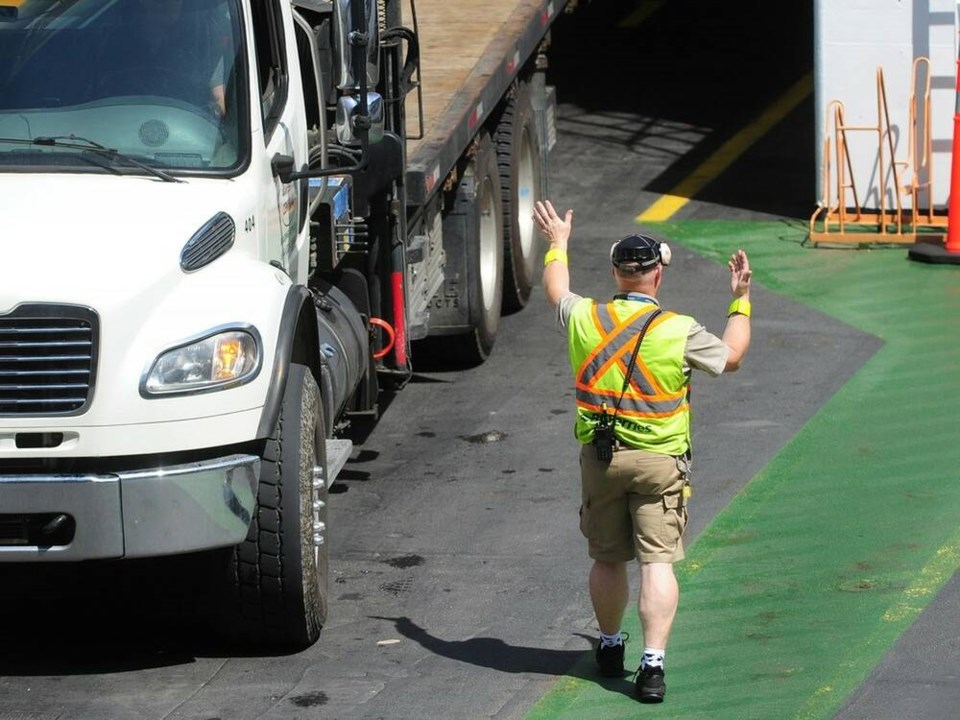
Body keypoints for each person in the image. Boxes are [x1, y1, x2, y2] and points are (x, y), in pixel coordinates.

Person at [532, 199, 752, 704]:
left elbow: (555, 289)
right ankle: (651, 669)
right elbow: (733, 356)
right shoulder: (678, 330)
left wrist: (558, 243)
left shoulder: (585, 317)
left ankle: (610, 647)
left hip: (602, 461)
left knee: (608, 559)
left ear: (615, 272)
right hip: (660, 465)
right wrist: (740, 298)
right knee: (657, 564)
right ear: (658, 276)